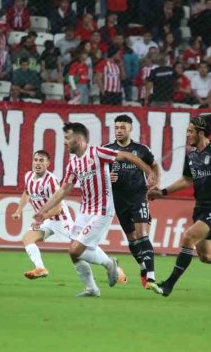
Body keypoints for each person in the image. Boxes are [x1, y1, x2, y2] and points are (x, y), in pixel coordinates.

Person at [34, 122, 156, 298]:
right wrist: (43, 211)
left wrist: (149, 172)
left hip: (102, 210)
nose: (65, 142)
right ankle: (92, 289)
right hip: (85, 211)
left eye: (67, 138)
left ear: (78, 139)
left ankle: (109, 264)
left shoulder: (98, 153)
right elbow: (64, 189)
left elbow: (128, 156)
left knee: (75, 250)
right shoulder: (73, 162)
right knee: (74, 253)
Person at [147, 114, 211, 297]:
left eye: (190, 132)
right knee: (206, 256)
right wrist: (163, 192)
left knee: (188, 237)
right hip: (200, 209)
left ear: (201, 133)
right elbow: (187, 180)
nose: (187, 135)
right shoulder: (191, 156)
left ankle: (168, 285)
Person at [105, 115, 161, 291]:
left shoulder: (141, 150)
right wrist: (108, 178)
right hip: (118, 200)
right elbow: (99, 173)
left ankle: (151, 276)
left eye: (123, 127)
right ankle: (144, 268)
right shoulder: (107, 150)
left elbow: (154, 166)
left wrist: (155, 183)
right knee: (131, 239)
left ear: (130, 129)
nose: (119, 130)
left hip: (138, 196)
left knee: (142, 234)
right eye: (117, 127)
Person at [12, 150, 73, 280]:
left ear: (48, 164)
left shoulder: (51, 180)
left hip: (61, 220)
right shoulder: (28, 176)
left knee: (81, 249)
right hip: (45, 220)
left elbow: (58, 208)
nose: (37, 163)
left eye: (41, 160)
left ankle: (110, 264)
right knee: (28, 238)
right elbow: (27, 192)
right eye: (35, 160)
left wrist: (41, 218)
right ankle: (40, 268)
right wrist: (18, 211)